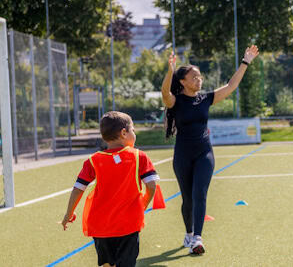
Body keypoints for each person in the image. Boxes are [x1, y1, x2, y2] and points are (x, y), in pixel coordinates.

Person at [161, 46, 259, 255]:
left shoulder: (205, 98)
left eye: (200, 76)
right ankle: (189, 233)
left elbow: (232, 86)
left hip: (204, 153)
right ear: (183, 82)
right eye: (194, 77)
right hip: (182, 155)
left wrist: (246, 61)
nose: (199, 80)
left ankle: (197, 238)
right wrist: (170, 71)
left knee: (200, 194)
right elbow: (165, 94)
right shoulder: (175, 101)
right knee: (187, 198)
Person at [60, 111, 163, 267]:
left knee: (107, 264)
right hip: (128, 225)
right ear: (123, 133)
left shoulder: (93, 160)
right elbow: (151, 185)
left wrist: (69, 213)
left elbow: (78, 188)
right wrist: (144, 204)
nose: (134, 133)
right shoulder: (139, 157)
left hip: (100, 226)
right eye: (133, 130)